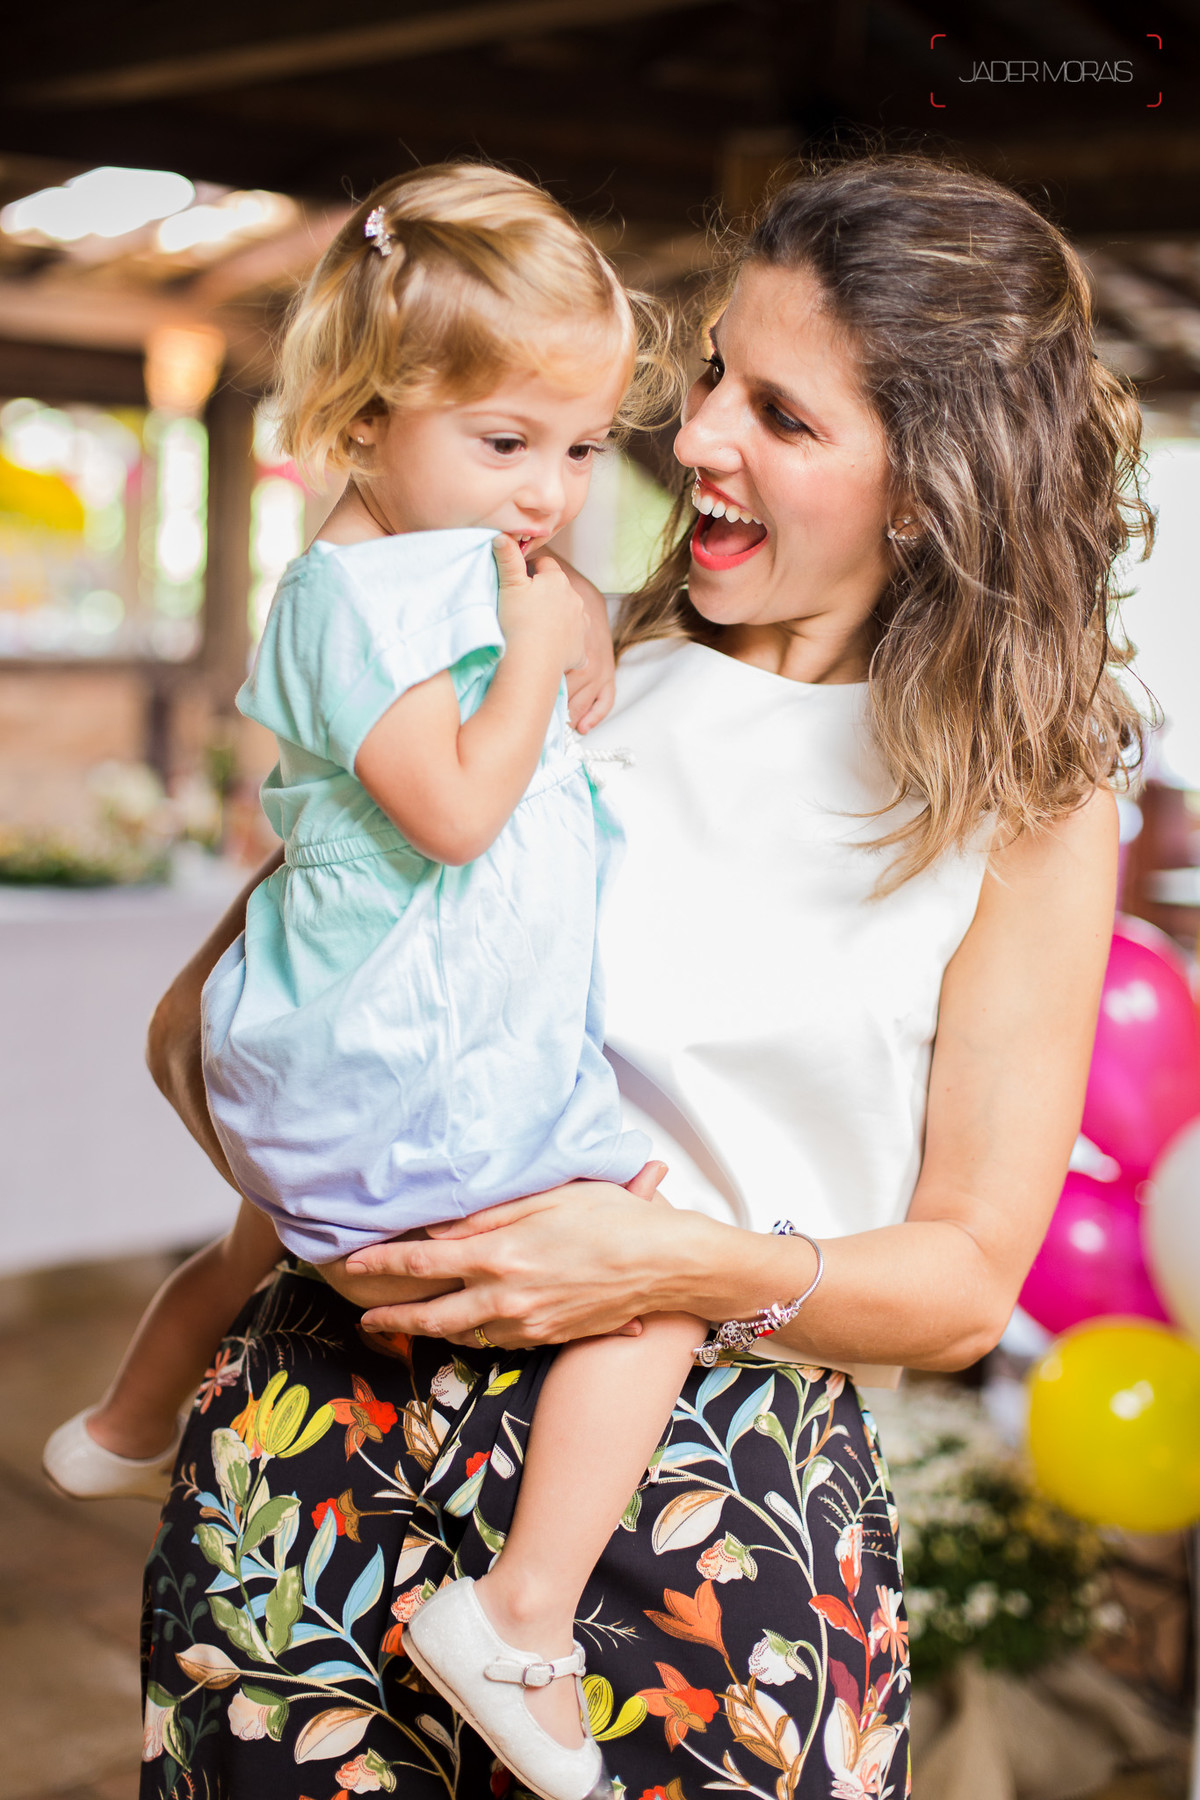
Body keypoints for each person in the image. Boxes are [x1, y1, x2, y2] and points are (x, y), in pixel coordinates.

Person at [137, 153, 1145, 1800]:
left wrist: (667, 1263)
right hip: (320, 1444)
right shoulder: (566, 659)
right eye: (707, 381)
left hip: (703, 1514)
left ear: (935, 482)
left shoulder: (1021, 804)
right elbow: (216, 1016)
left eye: (785, 416)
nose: (693, 443)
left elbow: (966, 1287)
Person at [46, 164, 706, 1800]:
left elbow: (515, 700)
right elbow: (458, 804)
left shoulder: (444, 567)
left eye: (576, 448)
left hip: (359, 1037)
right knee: (668, 1270)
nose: (551, 492)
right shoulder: (353, 595)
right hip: (408, 1052)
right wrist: (550, 651)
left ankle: (125, 1424)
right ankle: (520, 1614)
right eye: (506, 444)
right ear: (360, 420)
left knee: (265, 1235)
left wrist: (563, 631)